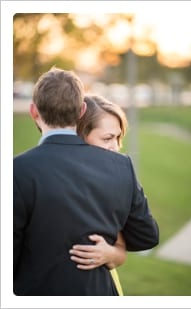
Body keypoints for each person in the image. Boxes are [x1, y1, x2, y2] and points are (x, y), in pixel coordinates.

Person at [13, 68, 159, 295]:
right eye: (108, 138)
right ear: (81, 111)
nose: (114, 145)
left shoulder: (17, 170)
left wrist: (114, 253)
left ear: (34, 111)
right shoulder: (121, 167)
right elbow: (147, 236)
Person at [67, 95, 131, 296]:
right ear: (81, 135)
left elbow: (121, 252)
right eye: (107, 138)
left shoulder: (112, 185)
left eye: (118, 138)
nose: (115, 146)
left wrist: (108, 253)